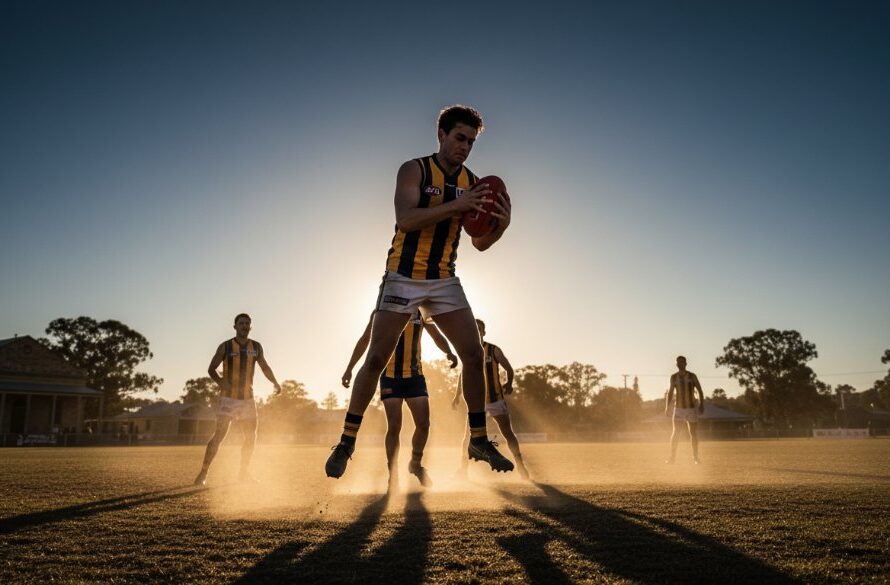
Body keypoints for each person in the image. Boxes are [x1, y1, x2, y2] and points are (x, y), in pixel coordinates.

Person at [326, 105, 514, 479]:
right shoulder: (414, 169)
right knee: (378, 355)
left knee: (474, 354)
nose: (465, 147)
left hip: (444, 278)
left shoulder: (473, 182)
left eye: (471, 142)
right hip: (403, 275)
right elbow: (406, 219)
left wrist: (501, 227)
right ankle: (346, 441)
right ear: (441, 134)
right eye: (459, 138)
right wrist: (456, 205)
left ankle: (478, 438)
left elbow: (479, 242)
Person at [342, 310, 457, 490]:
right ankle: (393, 474)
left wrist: (449, 351)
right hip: (389, 377)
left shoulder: (421, 312)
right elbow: (365, 339)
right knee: (395, 426)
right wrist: (349, 368)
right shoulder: (382, 310)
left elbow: (436, 335)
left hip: (414, 376)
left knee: (424, 424)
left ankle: (415, 463)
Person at [194, 313, 281, 486]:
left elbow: (264, 367)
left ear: (250, 326)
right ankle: (203, 473)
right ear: (235, 326)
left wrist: (275, 382)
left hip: (248, 399)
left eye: (247, 323)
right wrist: (221, 383)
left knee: (250, 437)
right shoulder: (225, 346)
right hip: (228, 399)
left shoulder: (256, 346)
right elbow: (211, 369)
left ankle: (243, 473)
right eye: (241, 323)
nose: (244, 326)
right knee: (219, 435)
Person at [453, 319, 529, 479]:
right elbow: (463, 375)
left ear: (484, 332)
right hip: (476, 402)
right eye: (474, 329)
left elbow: (508, 368)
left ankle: (521, 465)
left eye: (479, 329)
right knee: (468, 436)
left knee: (508, 432)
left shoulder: (493, 350)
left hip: (495, 399)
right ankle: (463, 470)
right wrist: (457, 395)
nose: (477, 332)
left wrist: (509, 382)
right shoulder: (467, 350)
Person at [664, 355, 705, 464]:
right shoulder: (673, 377)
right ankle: (672, 457)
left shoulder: (692, 376)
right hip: (679, 409)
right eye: (678, 362)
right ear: (676, 364)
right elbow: (671, 392)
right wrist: (667, 406)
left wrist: (701, 405)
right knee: (676, 432)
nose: (680, 364)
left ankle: (696, 458)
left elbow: (700, 391)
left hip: (691, 409)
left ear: (686, 363)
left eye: (682, 362)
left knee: (693, 432)